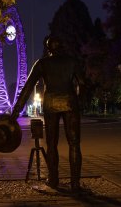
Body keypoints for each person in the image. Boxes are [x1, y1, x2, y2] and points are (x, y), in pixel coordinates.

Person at [11, 35, 85, 191]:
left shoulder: (42, 63)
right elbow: (83, 84)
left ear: (48, 48)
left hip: (51, 104)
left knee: (52, 144)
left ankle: (53, 179)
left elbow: (28, 87)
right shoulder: (72, 62)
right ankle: (75, 183)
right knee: (74, 144)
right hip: (70, 102)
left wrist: (17, 110)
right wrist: (77, 100)